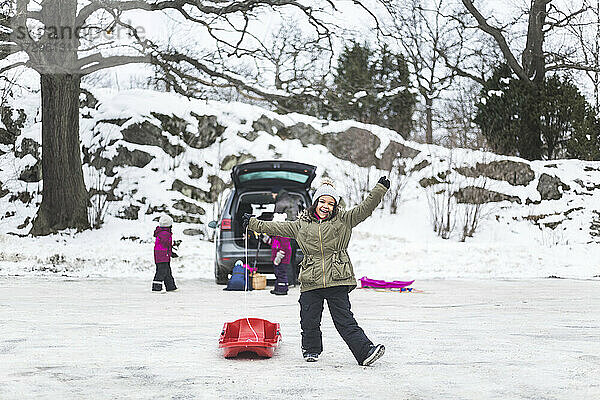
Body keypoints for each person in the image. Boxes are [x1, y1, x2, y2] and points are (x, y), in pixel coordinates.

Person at [241, 176, 391, 366]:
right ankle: (311, 350)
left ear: (335, 206)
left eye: (330, 203)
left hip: (337, 278)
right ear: (315, 203)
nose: (325, 206)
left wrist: (379, 189)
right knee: (309, 319)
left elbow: (365, 208)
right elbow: (276, 227)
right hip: (311, 279)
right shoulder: (301, 225)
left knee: (344, 320)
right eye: (322, 201)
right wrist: (253, 223)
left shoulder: (344, 220)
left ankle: (364, 352)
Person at [262, 213, 293, 295]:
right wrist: (267, 240)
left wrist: (278, 257)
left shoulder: (284, 234)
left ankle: (283, 289)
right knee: (277, 273)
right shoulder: (276, 234)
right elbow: (274, 243)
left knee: (281, 273)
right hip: (277, 257)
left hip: (282, 258)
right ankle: (278, 287)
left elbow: (284, 247)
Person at [152, 214, 178, 292]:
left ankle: (171, 287)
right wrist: (172, 250)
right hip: (162, 255)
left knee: (167, 271)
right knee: (161, 271)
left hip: (162, 255)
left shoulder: (162, 232)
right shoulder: (165, 233)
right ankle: (156, 287)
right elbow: (166, 245)